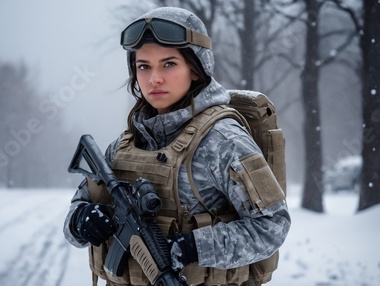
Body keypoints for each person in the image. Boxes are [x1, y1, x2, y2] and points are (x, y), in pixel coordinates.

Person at [64, 6, 291, 286]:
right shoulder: (125, 144)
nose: (154, 79)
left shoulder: (223, 141)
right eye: (143, 66)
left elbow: (273, 226)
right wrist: (81, 221)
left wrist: (194, 247)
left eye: (169, 64)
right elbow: (76, 211)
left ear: (196, 70)